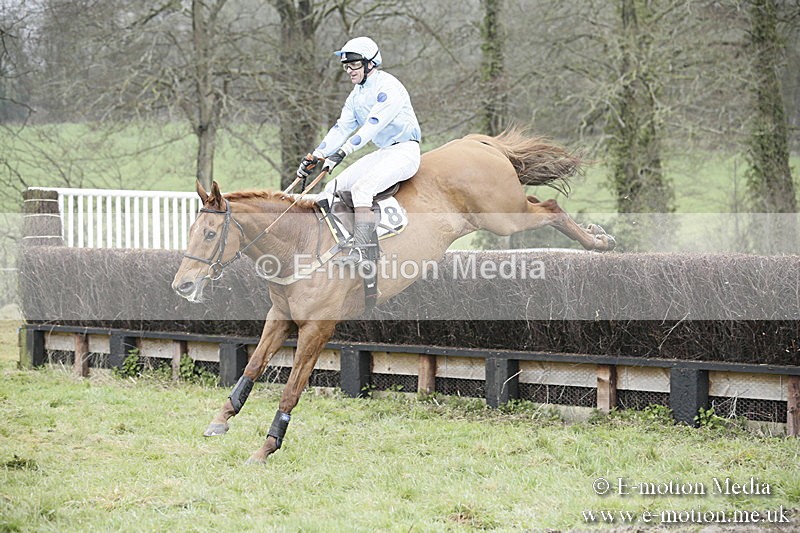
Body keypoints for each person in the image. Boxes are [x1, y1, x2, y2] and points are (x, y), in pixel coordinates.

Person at [296, 36, 421, 264]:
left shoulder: (389, 87)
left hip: (405, 152)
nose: (349, 71)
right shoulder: (356, 96)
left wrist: (342, 152)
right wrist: (317, 155)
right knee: (331, 188)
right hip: (384, 152)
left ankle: (365, 252)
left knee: (362, 190)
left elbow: (372, 126)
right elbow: (341, 127)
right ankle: (341, 244)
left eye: (354, 65)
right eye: (346, 66)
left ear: (369, 64)